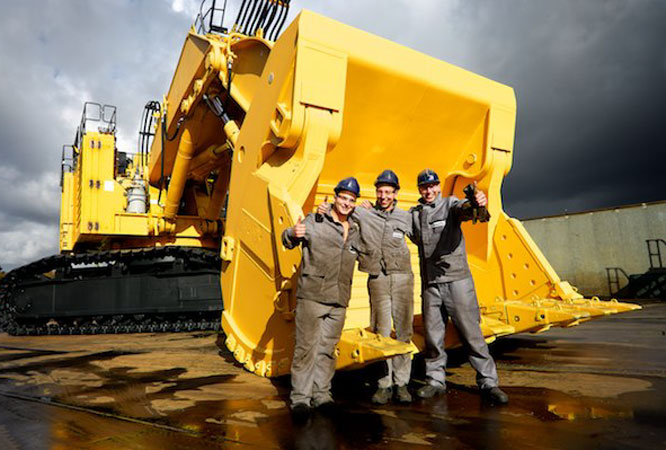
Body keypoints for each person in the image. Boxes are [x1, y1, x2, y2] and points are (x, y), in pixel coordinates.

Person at [409, 169, 509, 404]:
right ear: (420, 190)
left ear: (438, 187)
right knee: (433, 337)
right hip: (431, 285)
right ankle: (435, 381)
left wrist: (476, 202)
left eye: (432, 186)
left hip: (457, 282)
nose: (429, 191)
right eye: (424, 187)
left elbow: (465, 209)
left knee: (471, 333)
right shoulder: (415, 214)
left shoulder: (450, 205)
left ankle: (488, 382)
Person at [318, 170, 415, 405]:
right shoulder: (364, 213)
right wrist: (323, 209)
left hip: (402, 277)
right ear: (376, 193)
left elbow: (424, 237)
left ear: (395, 193)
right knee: (381, 331)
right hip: (377, 278)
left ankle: (402, 383)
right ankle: (384, 384)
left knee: (404, 330)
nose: (384, 196)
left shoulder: (405, 217)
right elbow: (342, 208)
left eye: (388, 192)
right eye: (380, 191)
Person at [282, 177, 362, 418]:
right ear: (335, 198)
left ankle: (322, 395)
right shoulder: (315, 221)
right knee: (306, 349)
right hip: (312, 296)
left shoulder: (355, 228)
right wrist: (292, 233)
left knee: (327, 350)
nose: (346, 203)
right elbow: (288, 238)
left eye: (351, 200)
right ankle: (300, 399)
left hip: (339, 299)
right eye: (343, 198)